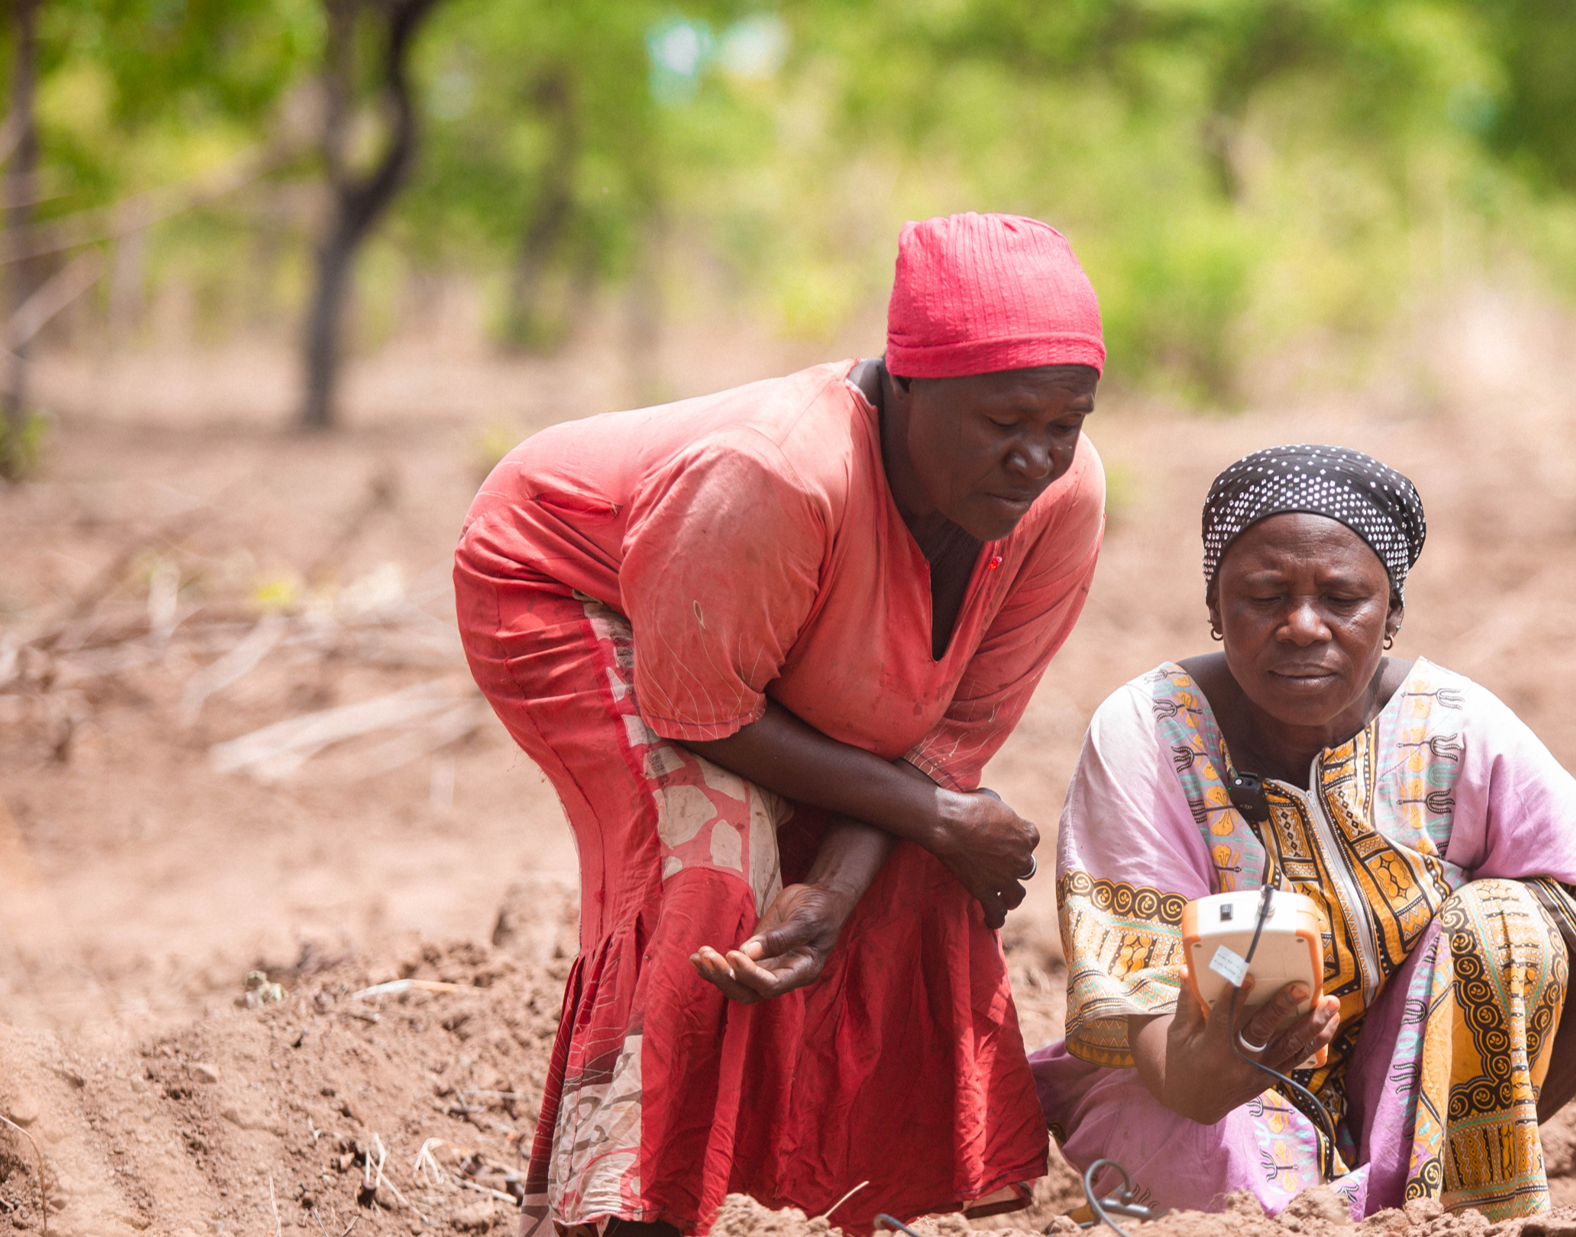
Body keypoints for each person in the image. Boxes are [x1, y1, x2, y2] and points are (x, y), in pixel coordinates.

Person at [454, 213, 1109, 1236]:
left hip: (738, 626)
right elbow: (698, 711)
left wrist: (835, 891)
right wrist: (938, 815)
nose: (1034, 458)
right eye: (1001, 423)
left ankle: (853, 1198)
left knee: (916, 861)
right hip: (564, 586)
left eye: (1061, 425)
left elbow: (940, 748)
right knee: (711, 842)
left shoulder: (1063, 500)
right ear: (909, 381)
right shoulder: (778, 473)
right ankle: (626, 1205)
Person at [1029, 445, 1576, 1222]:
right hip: (1198, 1088)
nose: (1301, 625)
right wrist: (1212, 1069)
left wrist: (1442, 1133)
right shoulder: (1148, 734)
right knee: (1200, 1164)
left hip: (1420, 1086)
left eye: (1342, 596)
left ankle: (1444, 1207)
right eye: (1263, 594)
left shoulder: (1459, 731)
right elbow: (1151, 1029)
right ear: (1215, 607)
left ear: (1392, 616)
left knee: (1509, 927)